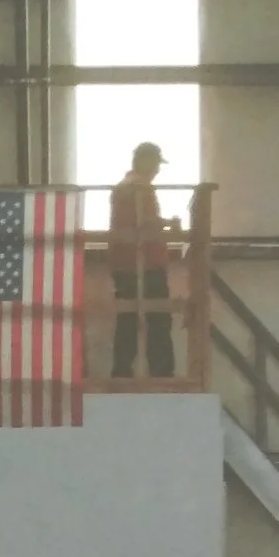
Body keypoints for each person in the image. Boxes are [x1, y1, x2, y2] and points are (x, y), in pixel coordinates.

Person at [108, 141, 179, 379]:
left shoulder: (124, 187)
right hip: (145, 264)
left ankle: (122, 372)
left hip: (126, 264)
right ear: (145, 161)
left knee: (128, 319)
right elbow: (145, 222)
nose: (157, 170)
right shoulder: (139, 189)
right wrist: (168, 224)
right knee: (158, 319)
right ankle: (161, 372)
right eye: (156, 164)